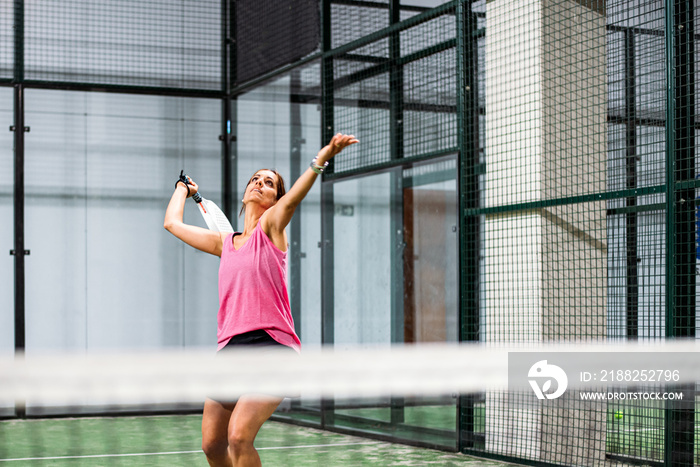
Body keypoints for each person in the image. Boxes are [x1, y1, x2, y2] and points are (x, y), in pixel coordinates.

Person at [164, 133, 358, 467]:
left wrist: (321, 158)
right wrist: (183, 189)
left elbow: (293, 200)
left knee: (239, 436)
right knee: (212, 444)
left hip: (273, 348)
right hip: (231, 349)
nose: (259, 184)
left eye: (268, 183)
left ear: (273, 199)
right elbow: (172, 223)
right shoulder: (225, 243)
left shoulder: (271, 229)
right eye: (255, 179)